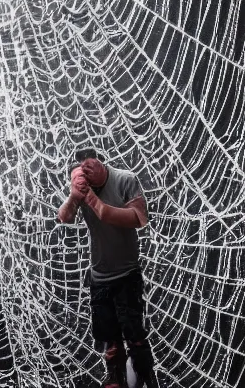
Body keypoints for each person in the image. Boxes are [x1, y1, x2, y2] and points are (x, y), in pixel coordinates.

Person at [58, 149, 158, 388]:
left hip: (126, 273)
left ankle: (146, 375)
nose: (87, 174)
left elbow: (139, 219)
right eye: (81, 173)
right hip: (99, 275)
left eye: (90, 167)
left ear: (99, 162)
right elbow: (64, 216)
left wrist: (96, 203)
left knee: (134, 332)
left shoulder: (124, 179)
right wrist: (74, 197)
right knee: (109, 338)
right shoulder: (82, 190)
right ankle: (115, 378)